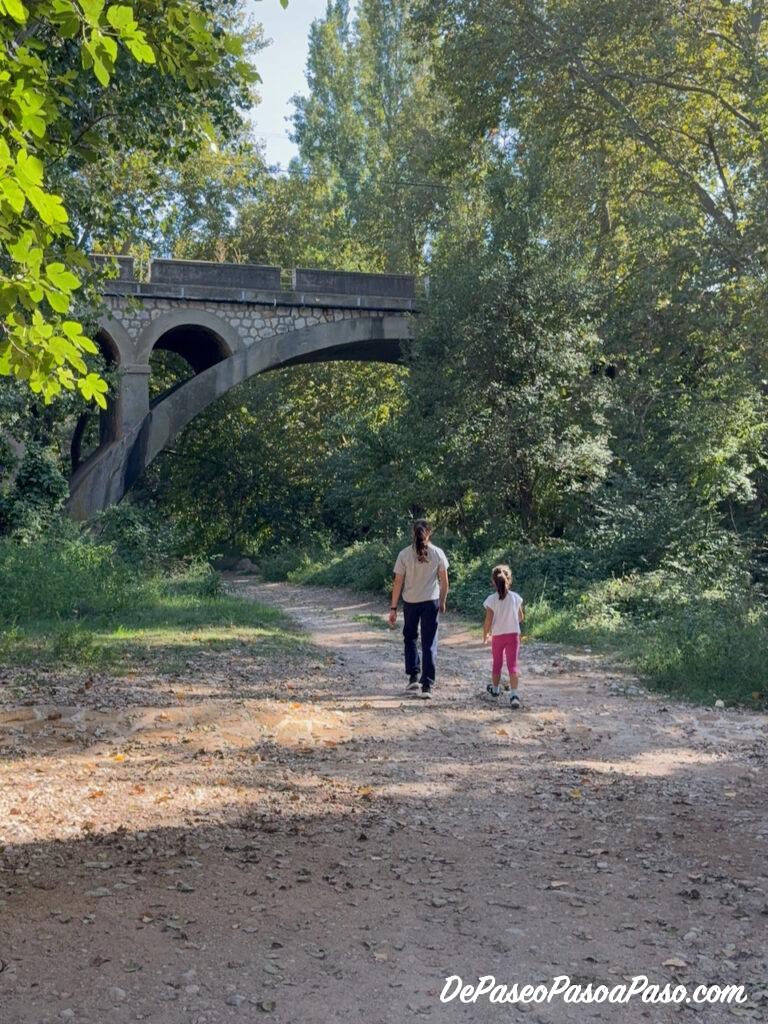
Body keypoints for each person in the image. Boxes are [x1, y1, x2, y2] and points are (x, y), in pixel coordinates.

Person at [388, 519, 449, 699]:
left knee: (410, 638)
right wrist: (442, 601)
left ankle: (413, 675)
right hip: (431, 601)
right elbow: (445, 582)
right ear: (429, 533)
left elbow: (397, 582)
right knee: (429, 642)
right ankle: (427, 685)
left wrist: (393, 607)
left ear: (412, 533)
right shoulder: (438, 553)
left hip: (411, 602)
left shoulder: (404, 554)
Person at [482, 564, 524, 709]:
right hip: (513, 635)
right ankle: (514, 695)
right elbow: (520, 617)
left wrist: (486, 634)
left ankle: (495, 689)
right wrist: (512, 621)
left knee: (497, 663)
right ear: (509, 580)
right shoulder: (516, 598)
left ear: (493, 581)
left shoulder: (491, 600)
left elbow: (488, 620)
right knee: (513, 665)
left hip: (498, 636)